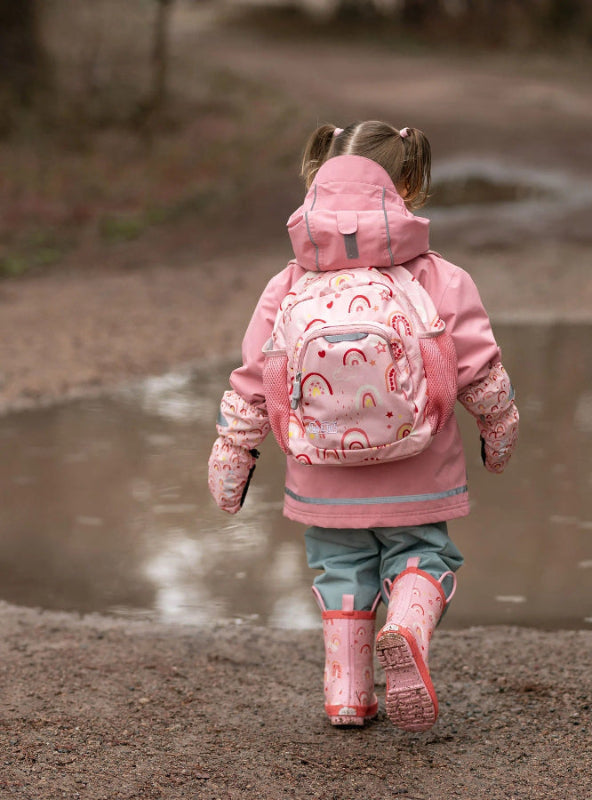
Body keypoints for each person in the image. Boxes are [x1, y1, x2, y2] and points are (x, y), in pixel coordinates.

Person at [208, 121, 519, 732]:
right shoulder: (439, 278)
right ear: (406, 187)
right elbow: (478, 368)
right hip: (418, 467)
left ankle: (348, 694)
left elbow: (254, 374)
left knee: (339, 568)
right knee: (423, 556)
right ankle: (405, 627)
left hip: (319, 473)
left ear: (316, 184)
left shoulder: (289, 283)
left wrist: (233, 451)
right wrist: (498, 426)